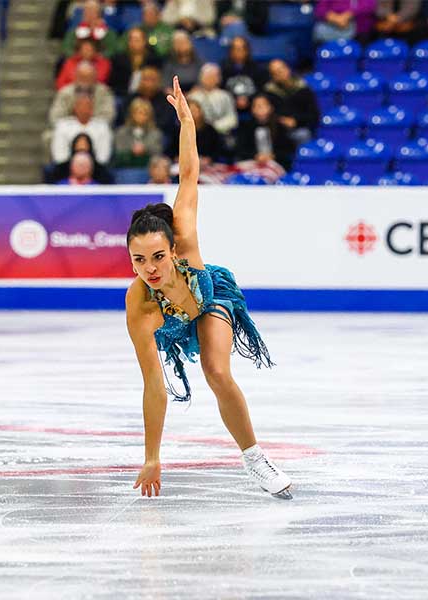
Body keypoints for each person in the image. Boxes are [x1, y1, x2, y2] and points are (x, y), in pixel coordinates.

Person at [125, 76, 291, 499]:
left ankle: (255, 459)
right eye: (138, 261)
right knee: (191, 367)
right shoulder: (140, 302)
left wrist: (186, 121)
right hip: (175, 318)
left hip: (209, 294)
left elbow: (190, 173)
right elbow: (153, 384)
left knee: (216, 370)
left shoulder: (183, 229)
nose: (150, 269)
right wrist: (151, 456)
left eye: (158, 257)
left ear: (172, 247)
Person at [234, 94, 296, 180]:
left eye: (263, 105)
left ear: (270, 107)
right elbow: (241, 150)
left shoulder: (279, 127)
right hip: (252, 162)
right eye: (256, 106)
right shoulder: (246, 127)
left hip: (276, 163)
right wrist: (255, 156)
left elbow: (288, 150)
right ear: (252, 109)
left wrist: (273, 156)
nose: (260, 109)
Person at [264, 59, 320, 146]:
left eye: (280, 70)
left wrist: (296, 121)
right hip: (277, 130)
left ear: (287, 69)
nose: (279, 74)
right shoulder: (269, 92)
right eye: (274, 73)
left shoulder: (303, 89)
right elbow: (267, 113)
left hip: (299, 127)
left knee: (303, 134)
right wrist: (279, 120)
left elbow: (314, 114)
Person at [51, 93, 112, 164]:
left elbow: (103, 155)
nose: (84, 109)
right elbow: (60, 154)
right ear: (75, 108)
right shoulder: (63, 126)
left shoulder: (102, 126)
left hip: (96, 168)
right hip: (67, 167)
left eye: (88, 106)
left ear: (92, 109)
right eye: (81, 106)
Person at [49, 60, 116, 126]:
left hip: (96, 130)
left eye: (89, 77)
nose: (85, 81)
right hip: (68, 130)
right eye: (82, 77)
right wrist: (76, 126)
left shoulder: (104, 92)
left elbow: (108, 116)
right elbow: (55, 117)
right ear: (75, 77)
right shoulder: (65, 92)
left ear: (95, 77)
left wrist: (88, 125)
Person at [109, 26, 162, 97]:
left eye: (137, 40)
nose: (134, 43)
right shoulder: (119, 60)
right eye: (131, 40)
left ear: (144, 41)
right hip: (123, 94)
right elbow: (114, 83)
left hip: (148, 95)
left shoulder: (153, 59)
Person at [188, 63, 239, 136]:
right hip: (197, 135)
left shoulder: (225, 96)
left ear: (218, 79)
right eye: (207, 76)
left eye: (213, 76)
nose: (210, 79)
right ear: (201, 78)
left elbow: (232, 119)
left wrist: (213, 127)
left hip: (220, 134)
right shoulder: (193, 96)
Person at [114, 98, 165, 168]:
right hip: (126, 168)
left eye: (145, 113)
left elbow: (158, 153)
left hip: (148, 168)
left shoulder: (156, 133)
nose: (141, 116)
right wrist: (131, 151)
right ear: (132, 114)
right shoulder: (121, 132)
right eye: (139, 113)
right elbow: (118, 153)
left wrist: (145, 149)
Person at [313, 0, 377, 43]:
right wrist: (336, 19)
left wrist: (348, 15)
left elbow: (369, 6)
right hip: (329, 30)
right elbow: (320, 9)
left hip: (359, 34)